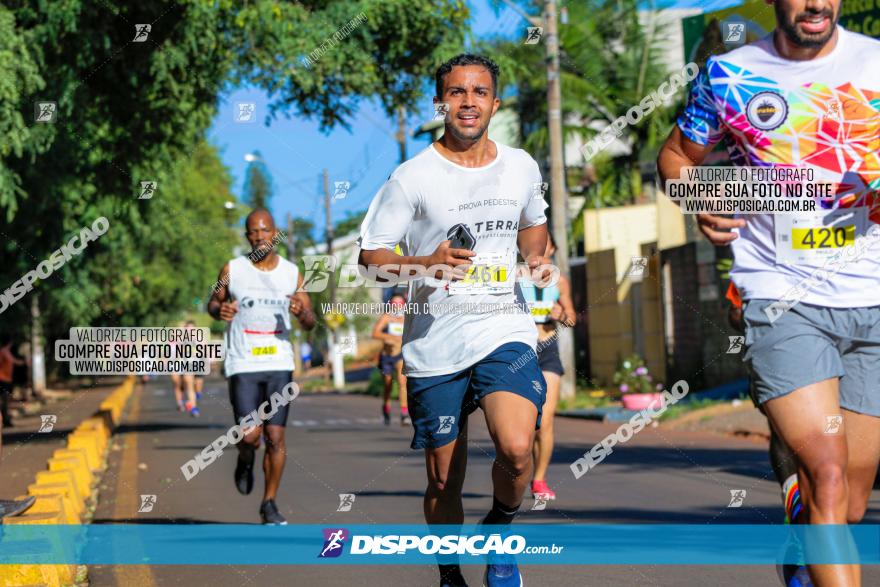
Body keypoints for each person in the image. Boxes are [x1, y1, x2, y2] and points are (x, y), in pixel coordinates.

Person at [658, 2, 880, 585]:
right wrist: (702, 197)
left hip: (873, 295)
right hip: (781, 294)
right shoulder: (730, 74)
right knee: (827, 472)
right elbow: (678, 158)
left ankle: (805, 530)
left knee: (850, 501)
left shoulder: (876, 64)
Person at [359, 53, 552, 587]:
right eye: (457, 93)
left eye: (480, 92)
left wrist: (536, 257)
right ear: (440, 101)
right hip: (435, 343)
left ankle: (499, 532)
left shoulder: (521, 166)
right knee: (445, 479)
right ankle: (449, 572)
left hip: (502, 326)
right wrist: (425, 263)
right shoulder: (412, 176)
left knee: (516, 448)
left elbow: (533, 225)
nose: (469, 102)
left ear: (496, 101)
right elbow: (369, 260)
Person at [207, 208, 316, 525]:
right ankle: (244, 456)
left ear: (275, 233)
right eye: (253, 232)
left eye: (265, 230)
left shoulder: (292, 272)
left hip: (278, 362)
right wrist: (220, 309)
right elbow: (213, 302)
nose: (259, 237)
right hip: (243, 362)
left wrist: (301, 313)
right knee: (250, 435)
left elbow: (310, 321)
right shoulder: (232, 269)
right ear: (247, 236)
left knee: (276, 437)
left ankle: (269, 503)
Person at [520, 234, 576, 501]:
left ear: (553, 248)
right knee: (525, 424)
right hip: (520, 352)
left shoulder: (560, 282)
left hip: (547, 350)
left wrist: (561, 315)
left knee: (546, 421)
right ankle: (520, 472)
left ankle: (539, 480)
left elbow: (572, 318)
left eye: (544, 247)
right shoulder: (515, 280)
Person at [371, 294, 410, 426]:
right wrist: (391, 337)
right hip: (386, 356)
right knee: (387, 385)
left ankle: (404, 413)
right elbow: (375, 333)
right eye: (394, 304)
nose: (397, 306)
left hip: (400, 355)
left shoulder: (407, 317)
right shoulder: (387, 317)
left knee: (402, 382)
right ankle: (386, 408)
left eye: (400, 304)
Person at [171, 321, 200, 417]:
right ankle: (180, 402)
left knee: (189, 385)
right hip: (178, 363)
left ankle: (193, 408)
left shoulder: (196, 339)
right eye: (187, 328)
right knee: (177, 384)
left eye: (192, 328)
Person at [0, 334, 26, 428]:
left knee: (6, 400)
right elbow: (13, 361)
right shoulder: (3, 351)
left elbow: (14, 361)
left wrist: (23, 362)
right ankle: (5, 420)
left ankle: (6, 419)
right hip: (2, 379)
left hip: (6, 379)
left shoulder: (6, 351)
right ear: (9, 342)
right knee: (4, 401)